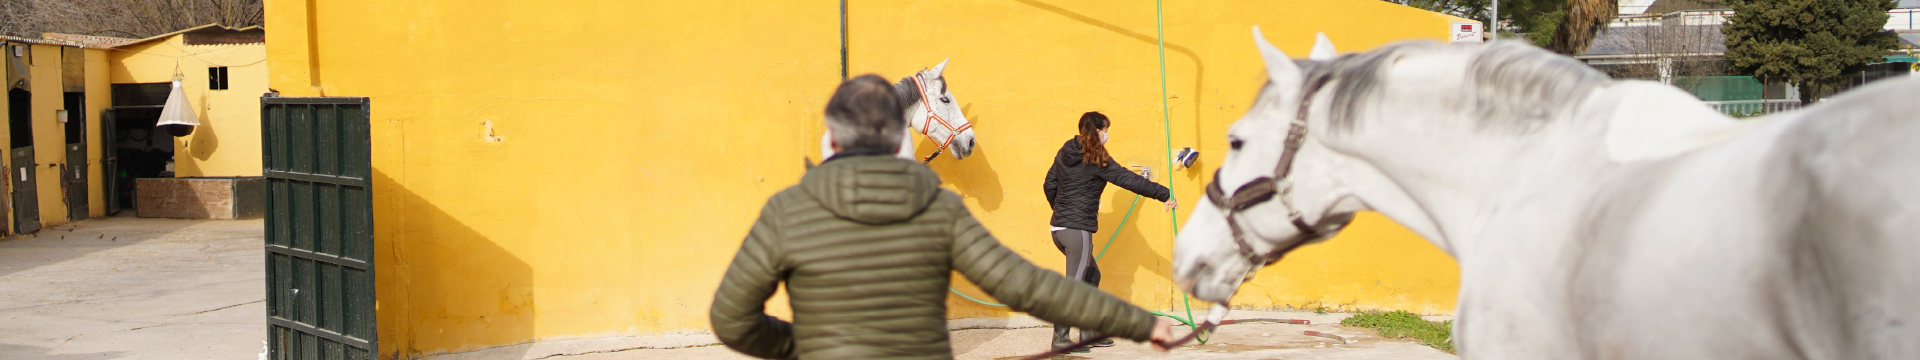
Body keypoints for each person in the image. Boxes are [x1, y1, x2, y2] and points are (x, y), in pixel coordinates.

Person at [711, 75, 1176, 360]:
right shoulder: (937, 211)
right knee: (1079, 276)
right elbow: (1025, 284)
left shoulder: (786, 212)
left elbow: (731, 320)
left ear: (834, 141)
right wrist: (1141, 323)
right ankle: (1076, 336)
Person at [1040, 111, 1177, 353]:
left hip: (1059, 230)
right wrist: (1164, 194)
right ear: (1097, 131)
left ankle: (1088, 333)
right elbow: (1129, 180)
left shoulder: (1065, 153)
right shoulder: (1096, 159)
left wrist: (1061, 213)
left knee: (1091, 276)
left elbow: (1049, 184)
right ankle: (1061, 339)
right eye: (1105, 129)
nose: (1107, 134)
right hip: (1077, 231)